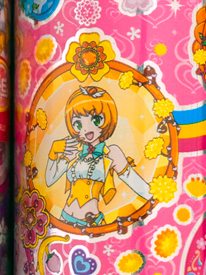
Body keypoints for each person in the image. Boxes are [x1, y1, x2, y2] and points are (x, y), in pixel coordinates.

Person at [44, 86, 153, 228]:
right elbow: (50, 180)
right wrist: (53, 153)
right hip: (65, 218)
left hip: (92, 223)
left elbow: (136, 183)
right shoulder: (73, 149)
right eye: (78, 124)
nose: (86, 129)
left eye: (96, 120)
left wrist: (159, 199)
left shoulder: (112, 153)